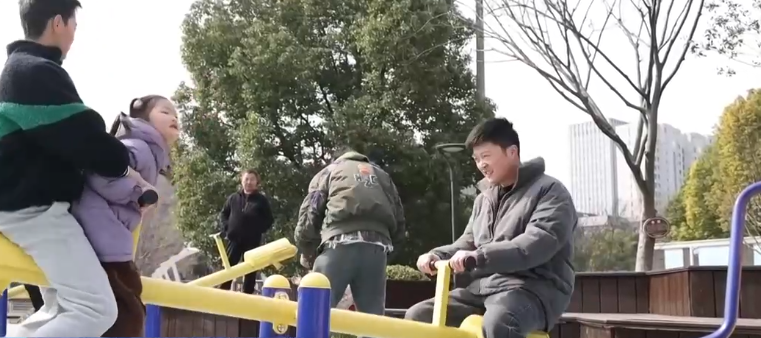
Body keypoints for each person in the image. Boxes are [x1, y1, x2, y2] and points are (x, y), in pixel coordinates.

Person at [0, 0, 146, 337]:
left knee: (60, 309)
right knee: (97, 308)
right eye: (73, 25)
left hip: (24, 207)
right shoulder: (34, 72)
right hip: (32, 211)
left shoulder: (23, 70)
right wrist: (127, 167)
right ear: (58, 22)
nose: (73, 35)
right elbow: (85, 139)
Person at [405, 118, 577, 338]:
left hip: (533, 289)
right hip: (481, 289)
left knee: (501, 322)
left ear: (512, 152)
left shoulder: (550, 192)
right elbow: (469, 241)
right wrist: (437, 255)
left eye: (486, 156)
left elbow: (535, 244)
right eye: (476, 159)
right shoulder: (484, 199)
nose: (481, 165)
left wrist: (480, 256)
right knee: (418, 316)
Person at [72, 95, 180, 337]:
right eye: (165, 112)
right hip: (102, 238)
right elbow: (102, 171)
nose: (174, 117)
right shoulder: (138, 147)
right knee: (127, 314)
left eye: (176, 114)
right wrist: (137, 193)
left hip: (107, 237)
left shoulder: (151, 152)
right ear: (145, 120)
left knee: (119, 313)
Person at [293, 149, 406, 327]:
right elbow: (399, 219)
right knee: (372, 321)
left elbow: (310, 214)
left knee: (315, 310)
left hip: (339, 242)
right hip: (378, 246)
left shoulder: (329, 172)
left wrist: (307, 250)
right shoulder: (383, 176)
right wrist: (387, 255)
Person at [219, 169, 274, 294]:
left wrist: (257, 229)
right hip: (234, 239)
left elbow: (269, 219)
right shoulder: (233, 198)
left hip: (252, 242)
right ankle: (221, 294)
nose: (249, 182)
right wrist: (227, 228)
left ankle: (247, 295)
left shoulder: (261, 200)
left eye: (252, 179)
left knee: (250, 270)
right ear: (242, 181)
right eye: (246, 179)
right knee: (228, 268)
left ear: (256, 182)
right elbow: (223, 214)